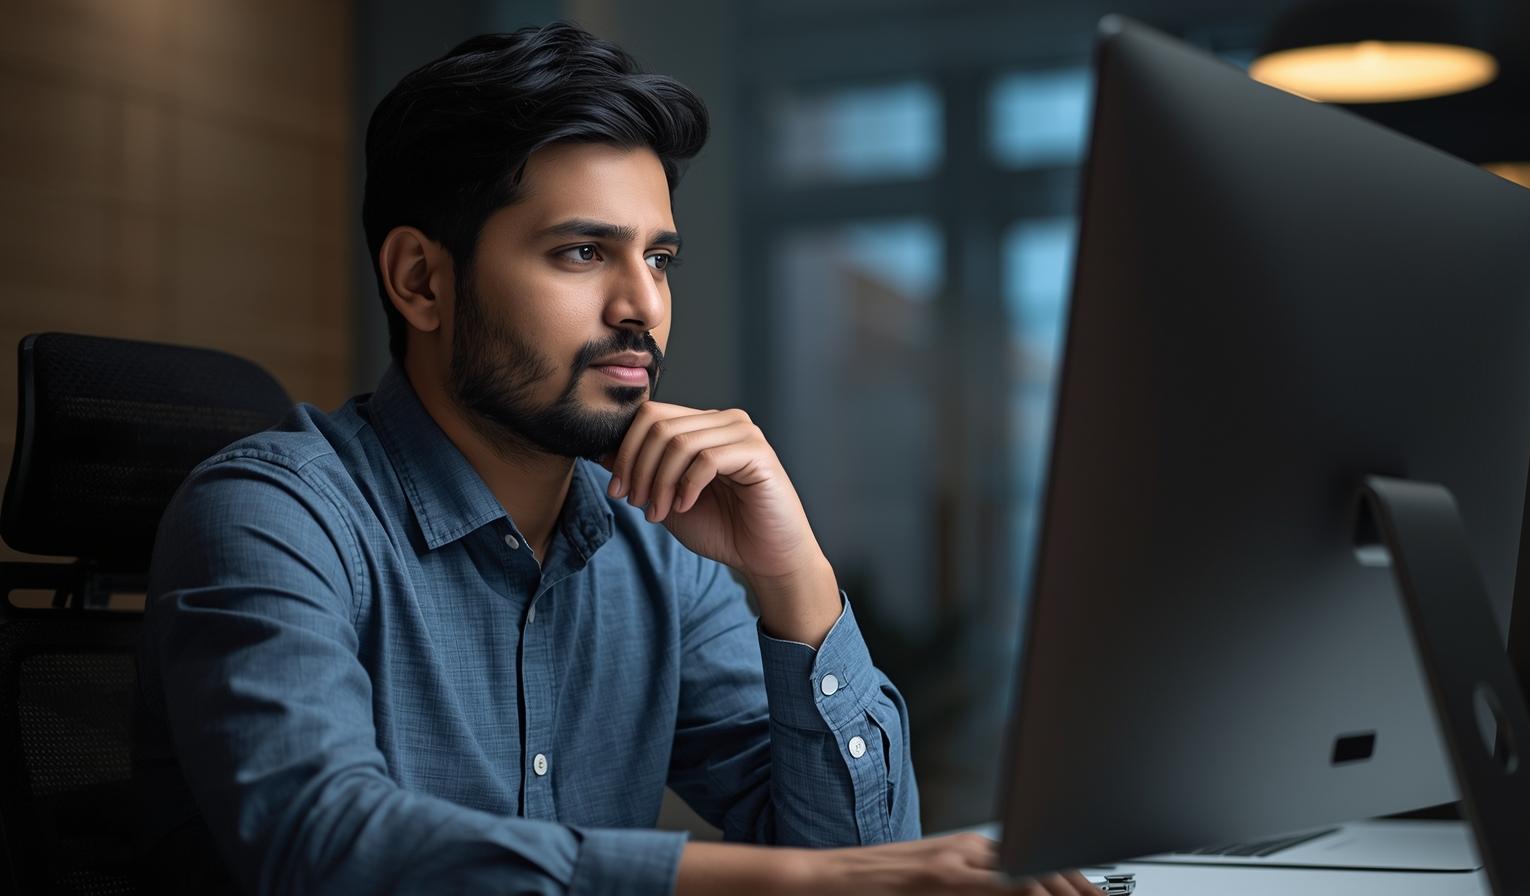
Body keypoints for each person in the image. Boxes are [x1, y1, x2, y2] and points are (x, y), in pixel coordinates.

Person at [133, 22, 1099, 896]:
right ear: (421, 281)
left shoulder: (656, 541)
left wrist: (792, 578)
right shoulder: (270, 512)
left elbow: (867, 853)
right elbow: (325, 845)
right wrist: (794, 882)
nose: (642, 305)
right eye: (583, 253)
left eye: (660, 258)